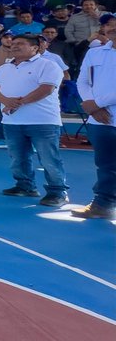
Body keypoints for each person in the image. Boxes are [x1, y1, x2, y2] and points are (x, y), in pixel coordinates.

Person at [0, 32, 68, 206]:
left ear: (35, 47)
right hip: (12, 121)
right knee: (18, 157)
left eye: (21, 43)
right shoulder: (4, 68)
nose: (14, 45)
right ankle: (25, 186)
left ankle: (57, 192)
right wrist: (6, 101)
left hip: (43, 121)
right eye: (14, 43)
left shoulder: (48, 65)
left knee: (48, 158)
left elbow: (46, 89)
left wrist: (17, 103)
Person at [74, 14, 116, 219]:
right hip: (100, 121)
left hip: (100, 112)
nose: (113, 28)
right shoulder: (95, 53)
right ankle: (102, 205)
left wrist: (97, 104)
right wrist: (92, 107)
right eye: (109, 25)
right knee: (105, 165)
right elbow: (83, 81)